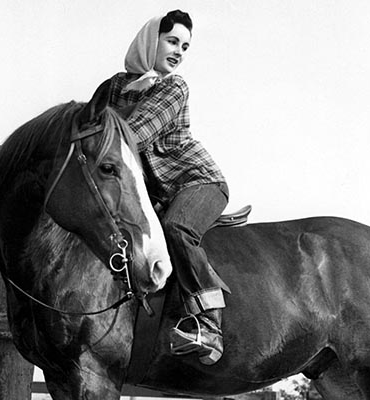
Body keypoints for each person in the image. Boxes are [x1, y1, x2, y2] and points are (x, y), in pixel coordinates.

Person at [104, 10, 230, 365]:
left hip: (197, 182)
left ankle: (209, 323)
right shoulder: (115, 86)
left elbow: (133, 137)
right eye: (172, 41)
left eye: (185, 46)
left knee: (176, 228)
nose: (178, 52)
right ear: (150, 40)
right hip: (152, 192)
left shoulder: (174, 87)